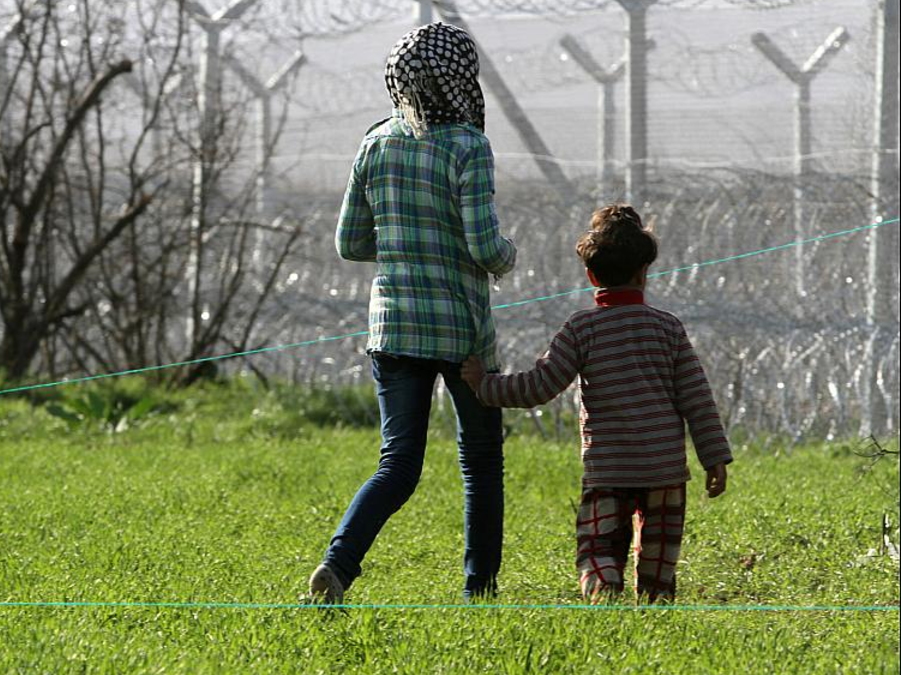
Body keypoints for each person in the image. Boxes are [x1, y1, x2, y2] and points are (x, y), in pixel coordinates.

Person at [307, 22, 517, 604]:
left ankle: (337, 566)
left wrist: (405, 244)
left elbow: (350, 243)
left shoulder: (375, 142)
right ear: (461, 81)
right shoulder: (469, 146)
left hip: (393, 325)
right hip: (461, 331)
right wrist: (507, 258)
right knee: (479, 460)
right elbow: (483, 244)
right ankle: (480, 590)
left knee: (397, 464)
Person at [460, 204, 732, 603]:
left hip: (608, 468)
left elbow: (540, 385)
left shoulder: (581, 328)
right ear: (644, 272)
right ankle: (655, 615)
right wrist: (714, 457)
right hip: (664, 469)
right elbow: (697, 398)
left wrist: (485, 385)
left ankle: (604, 595)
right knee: (660, 562)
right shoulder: (668, 327)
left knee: (597, 550)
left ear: (590, 274)